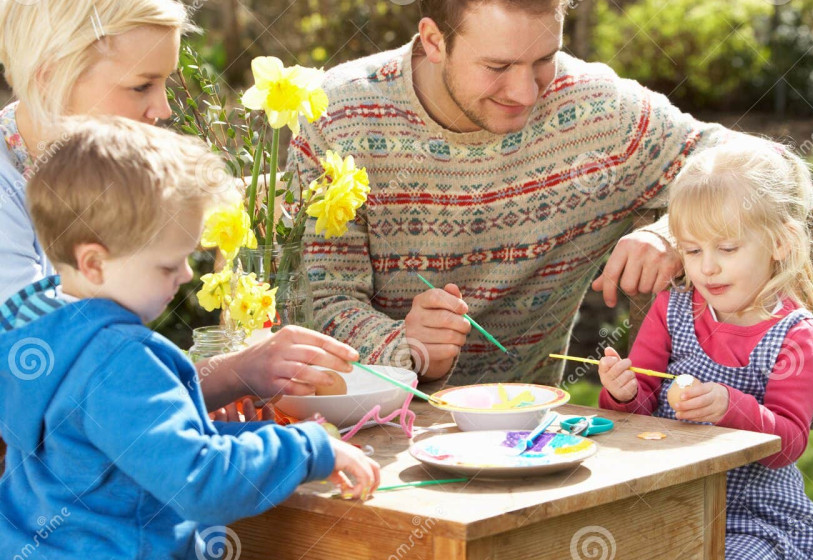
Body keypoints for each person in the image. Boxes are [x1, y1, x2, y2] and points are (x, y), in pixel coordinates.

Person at [289, 0, 745, 387]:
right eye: (498, 67)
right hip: (363, 431)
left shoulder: (598, 112)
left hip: (530, 438)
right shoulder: (337, 115)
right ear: (433, 41)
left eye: (545, 58)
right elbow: (319, 300)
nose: (526, 93)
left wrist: (676, 232)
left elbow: (763, 164)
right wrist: (404, 347)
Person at [0, 117, 380, 559]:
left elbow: (141, 449)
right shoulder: (120, 361)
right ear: (94, 264)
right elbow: (198, 482)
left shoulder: (40, 337)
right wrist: (307, 449)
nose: (184, 275)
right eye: (168, 265)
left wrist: (264, 438)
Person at [0, 0, 354, 418]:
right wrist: (234, 373)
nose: (164, 109)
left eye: (165, 83)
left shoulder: (87, 175)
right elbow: (62, 387)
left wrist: (202, 388)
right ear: (49, 76)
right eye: (141, 86)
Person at [596, 138, 813, 559]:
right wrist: (623, 394)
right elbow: (638, 413)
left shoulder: (794, 334)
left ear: (780, 242)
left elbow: (789, 444)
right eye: (692, 250)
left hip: (753, 513)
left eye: (727, 248)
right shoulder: (672, 310)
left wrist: (729, 407)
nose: (707, 266)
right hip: (668, 501)